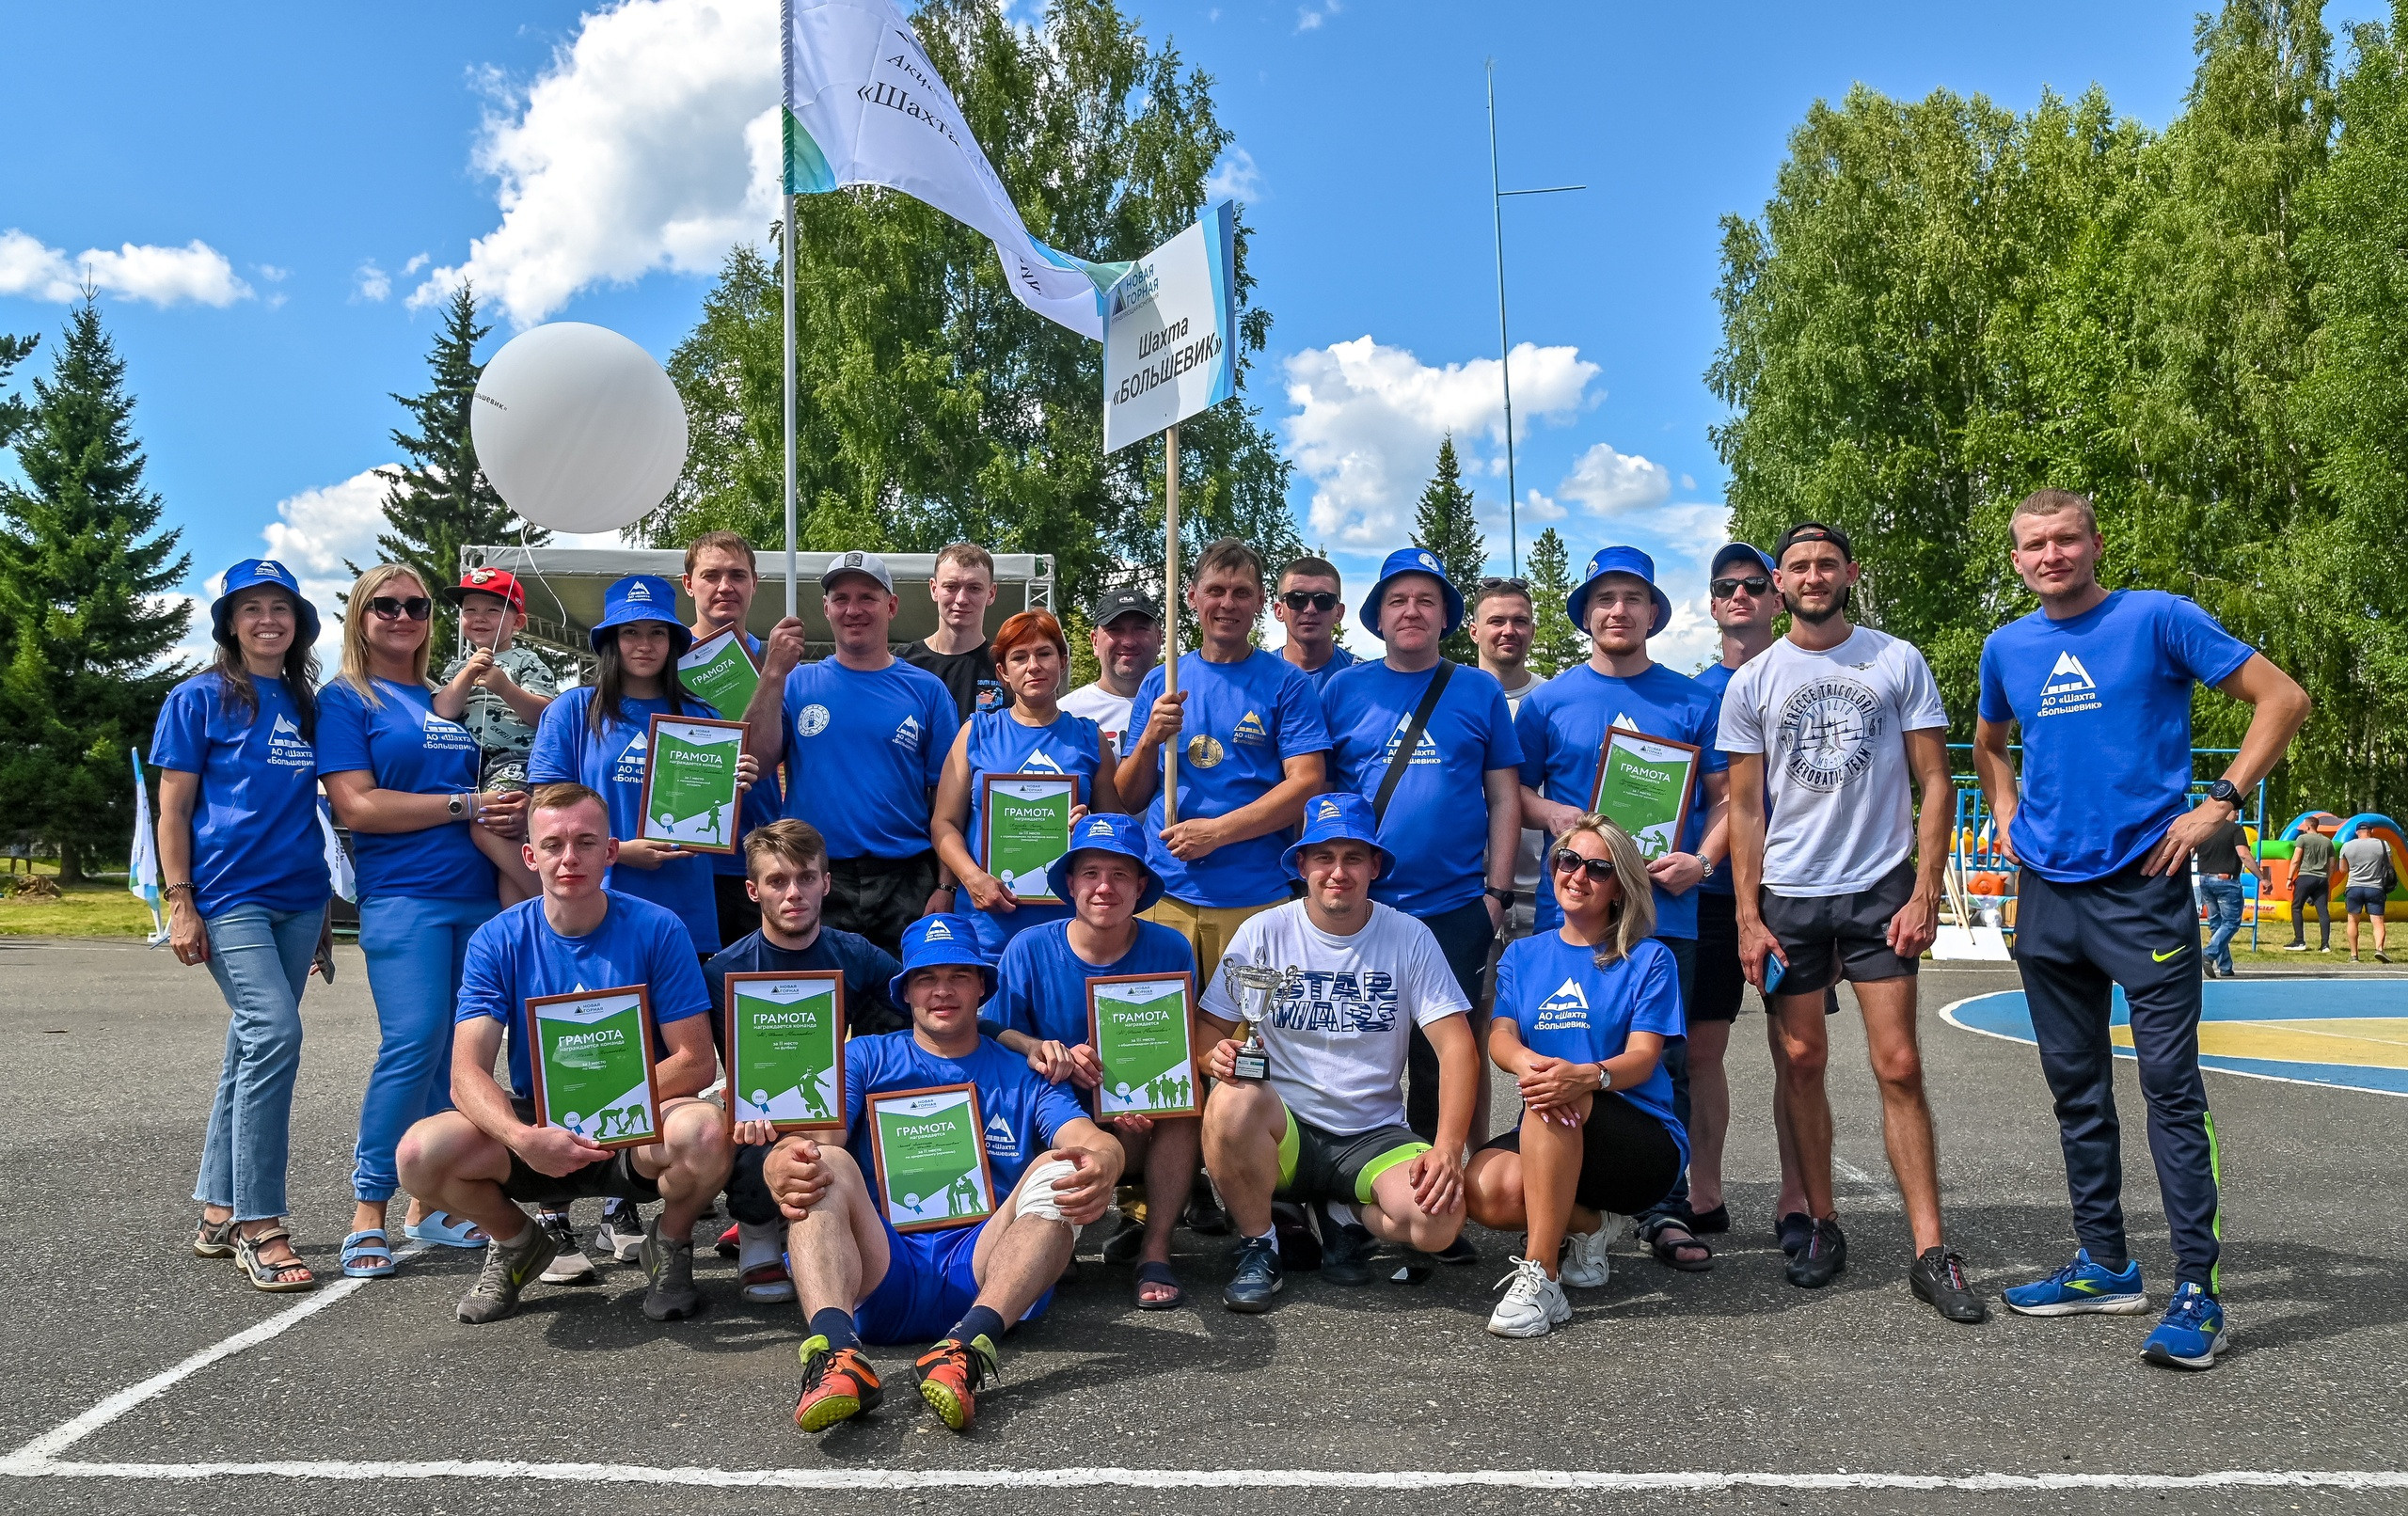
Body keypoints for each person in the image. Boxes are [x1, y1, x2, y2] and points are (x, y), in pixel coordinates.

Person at [1974, 489, 2309, 1371]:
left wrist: (2220, 804)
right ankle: (2105, 1264)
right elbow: (1987, 743)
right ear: (2016, 559)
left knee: (2170, 1090)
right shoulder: (2006, 646)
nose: (2052, 555)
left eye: (2067, 539)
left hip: (2146, 887)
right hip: (2047, 894)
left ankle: (2197, 1288)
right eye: (2034, 544)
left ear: (2095, 543)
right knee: (2075, 1090)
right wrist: (2004, 810)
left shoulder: (2159, 619)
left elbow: (2282, 699)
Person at [1720, 522, 1983, 1322]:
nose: (1811, 575)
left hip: (1878, 889)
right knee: (1800, 1059)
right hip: (1791, 897)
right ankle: (1822, 1224)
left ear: (1848, 573)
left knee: (1899, 1064)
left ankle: (1931, 1250)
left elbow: (1935, 781)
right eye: (1796, 565)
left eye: (1825, 563)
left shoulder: (1895, 659)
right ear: (1777, 581)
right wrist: (1746, 915)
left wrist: (1925, 889)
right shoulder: (1753, 681)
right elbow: (1742, 807)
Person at [760, 914, 1125, 1434]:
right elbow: (823, 1142)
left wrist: (1106, 1160)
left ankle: (964, 1351)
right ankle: (836, 1356)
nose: (942, 991)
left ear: (981, 987)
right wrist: (782, 1159)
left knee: (1059, 1167)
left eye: (958, 976)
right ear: (906, 991)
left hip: (986, 1269)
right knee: (823, 1164)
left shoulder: (1025, 1072)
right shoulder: (864, 1055)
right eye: (927, 978)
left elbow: (1089, 1140)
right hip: (882, 1269)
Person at [394, 783, 737, 1325]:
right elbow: (466, 1074)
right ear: (530, 856)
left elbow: (695, 1061)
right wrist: (524, 1138)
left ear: (612, 851)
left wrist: (606, 1108)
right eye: (553, 845)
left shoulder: (659, 928)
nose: (569, 858)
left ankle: (669, 1244)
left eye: (585, 841)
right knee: (419, 1153)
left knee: (708, 1130)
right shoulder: (496, 939)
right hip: (540, 1121)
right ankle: (516, 1242)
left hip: (635, 1119)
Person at [1513, 545, 1728, 1272]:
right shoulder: (1549, 700)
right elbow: (1514, 791)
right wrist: (1552, 815)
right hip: (1568, 913)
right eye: (1605, 598)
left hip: (1665, 912)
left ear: (1653, 614)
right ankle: (1564, 1206)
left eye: (1633, 598)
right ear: (1585, 612)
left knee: (1668, 1063)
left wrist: (1703, 860)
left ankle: (1663, 1208)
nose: (1618, 610)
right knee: (1560, 1047)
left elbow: (1729, 801)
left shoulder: (1694, 699)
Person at [319, 563, 527, 1278]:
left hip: (474, 892)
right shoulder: (347, 698)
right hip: (404, 897)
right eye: (386, 605)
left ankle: (431, 1204)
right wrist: (466, 807)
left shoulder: (444, 696)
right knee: (411, 1044)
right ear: (360, 616)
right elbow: (358, 806)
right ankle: (368, 1207)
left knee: (460, 1057)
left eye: (414, 605)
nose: (402, 616)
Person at [1197, 794, 1480, 1312]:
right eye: (1324, 857)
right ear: (1301, 864)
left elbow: (1457, 1047)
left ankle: (1344, 1214)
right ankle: (1260, 1245)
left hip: (1373, 1134)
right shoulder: (1263, 931)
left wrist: (1447, 1146)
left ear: (1374, 866)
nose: (1338, 872)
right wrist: (1211, 1056)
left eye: (1353, 858)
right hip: (1285, 1131)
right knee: (1230, 1101)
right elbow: (1208, 1026)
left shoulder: (1409, 935)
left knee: (1438, 1224)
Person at [1321, 550, 1521, 1224]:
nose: (1412, 611)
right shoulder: (1342, 690)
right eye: (1398, 600)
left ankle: (1440, 1193)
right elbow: (1316, 796)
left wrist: (1496, 894)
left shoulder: (1478, 691)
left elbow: (1503, 797)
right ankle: (1349, 1198)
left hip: (1454, 906)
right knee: (1353, 1049)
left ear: (1446, 618)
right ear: (1378, 617)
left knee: (1443, 1059)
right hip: (1361, 908)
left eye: (1426, 600)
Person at [150, 560, 333, 1293]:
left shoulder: (305, 701)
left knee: (247, 1045)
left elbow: (311, 811)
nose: (267, 620)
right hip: (229, 897)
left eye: (280, 608)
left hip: (300, 896)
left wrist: (322, 914)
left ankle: (217, 1212)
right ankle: (261, 1225)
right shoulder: (196, 699)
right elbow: (173, 809)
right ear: (229, 622)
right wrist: (180, 900)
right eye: (251, 608)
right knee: (274, 1033)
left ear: (299, 623)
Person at [1465, 815, 1687, 1338]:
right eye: (1569, 861)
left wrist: (1586, 1076)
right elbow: (1500, 1037)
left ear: (1620, 886)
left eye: (1598, 868)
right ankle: (1589, 1230)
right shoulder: (1523, 954)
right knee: (1484, 1188)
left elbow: (1643, 1059)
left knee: (1552, 1100)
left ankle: (1543, 1276)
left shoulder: (1650, 958)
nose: (1578, 875)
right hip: (1555, 1124)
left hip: (1638, 1141)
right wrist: (1526, 1063)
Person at [985, 813, 1199, 1308]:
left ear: (1141, 885)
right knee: (1013, 1093)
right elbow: (992, 1030)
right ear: (1070, 884)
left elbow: (1178, 1041)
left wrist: (1144, 1084)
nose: (1105, 887)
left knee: (1187, 1106)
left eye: (1120, 874)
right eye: (1091, 874)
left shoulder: (1170, 946)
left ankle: (1156, 1248)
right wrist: (1037, 1048)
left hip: (1135, 1115)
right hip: (1055, 1112)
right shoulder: (1029, 946)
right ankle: (1056, 1237)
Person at [1684, 543, 1821, 1251]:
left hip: (1794, 887)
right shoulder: (1689, 694)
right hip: (1712, 896)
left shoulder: (1809, 675)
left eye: (1750, 585)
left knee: (1796, 1051)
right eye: (1723, 587)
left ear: (1775, 596)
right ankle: (1703, 1193)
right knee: (1703, 1048)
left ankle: (1796, 1198)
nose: (1738, 596)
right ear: (1711, 605)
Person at [707, 819, 906, 1303]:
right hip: (762, 1107)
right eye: (777, 881)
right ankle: (757, 1225)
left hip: (826, 1100)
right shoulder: (723, 970)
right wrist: (737, 1100)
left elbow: (931, 1007)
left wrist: (1018, 1040)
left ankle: (850, 1223)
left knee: (869, 1104)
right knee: (732, 1115)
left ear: (826, 883)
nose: (793, 892)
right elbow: (730, 1070)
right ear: (753, 891)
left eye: (806, 878)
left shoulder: (854, 954)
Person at [1116, 538, 1330, 972]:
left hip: (1252, 896)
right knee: (1160, 1032)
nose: (1227, 604)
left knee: (1240, 1036)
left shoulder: (1286, 683)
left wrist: (1217, 833)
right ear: (1192, 598)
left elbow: (1307, 782)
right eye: (1215, 591)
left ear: (1260, 603)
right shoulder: (1163, 682)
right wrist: (1148, 741)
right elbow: (1129, 797)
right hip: (1164, 892)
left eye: (1241, 593)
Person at [746, 551, 961, 957]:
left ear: (891, 606)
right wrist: (772, 672)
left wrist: (945, 885)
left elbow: (945, 802)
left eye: (867, 597)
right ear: (825, 608)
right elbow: (756, 761)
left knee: (902, 1002)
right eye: (841, 598)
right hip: (814, 875)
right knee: (822, 1004)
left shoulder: (927, 691)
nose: (853, 609)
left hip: (905, 876)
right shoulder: (796, 682)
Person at [529, 575, 738, 960]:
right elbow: (546, 812)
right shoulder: (573, 711)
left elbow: (713, 805)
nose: (644, 645)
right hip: (599, 903)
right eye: (630, 632)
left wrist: (734, 782)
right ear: (612, 640)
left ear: (673, 642)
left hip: (686, 908)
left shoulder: (703, 715)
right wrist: (620, 852)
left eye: (658, 632)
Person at [931, 608, 1122, 961]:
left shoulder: (1088, 738)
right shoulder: (976, 733)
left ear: (1062, 661)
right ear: (1003, 672)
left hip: (1068, 929)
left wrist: (1088, 829)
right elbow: (944, 823)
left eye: (1044, 653)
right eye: (1019, 657)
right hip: (987, 928)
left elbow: (1112, 831)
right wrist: (971, 878)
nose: (1033, 665)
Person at [684, 530, 785, 946]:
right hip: (685, 858)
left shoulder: (776, 657)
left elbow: (774, 754)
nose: (725, 586)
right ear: (689, 583)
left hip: (756, 858)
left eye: (737, 575)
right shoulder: (664, 656)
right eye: (711, 575)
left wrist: (775, 672)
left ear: (755, 583)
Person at [433, 566, 552, 907]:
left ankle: (559, 904)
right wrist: (467, 675)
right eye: (469, 610)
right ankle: (523, 919)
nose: (479, 618)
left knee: (488, 825)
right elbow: (444, 710)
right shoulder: (457, 667)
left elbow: (543, 714)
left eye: (493, 610)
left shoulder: (527, 661)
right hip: (472, 768)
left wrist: (505, 687)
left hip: (514, 760)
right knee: (506, 861)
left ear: (518, 622)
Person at [897, 541, 1008, 719]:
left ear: (991, 593)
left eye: (974, 588)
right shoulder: (903, 664)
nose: (962, 599)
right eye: (951, 587)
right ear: (934, 589)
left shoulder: (1006, 667)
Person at [1060, 588, 1162, 755]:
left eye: (1140, 629)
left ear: (1159, 638)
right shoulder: (1066, 715)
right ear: (1094, 642)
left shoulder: (1184, 708)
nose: (1128, 642)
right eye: (1115, 629)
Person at [1273, 555, 1357, 691]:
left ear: (1339, 613)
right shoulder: (1257, 676)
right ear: (1279, 611)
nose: (1310, 609)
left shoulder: (1361, 678)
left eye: (1323, 600)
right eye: (1297, 599)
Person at [2195, 815, 2254, 978]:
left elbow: (2190, 851)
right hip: (2225, 880)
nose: (2236, 814)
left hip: (2205, 879)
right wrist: (2261, 876)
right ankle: (2208, 953)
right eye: (2234, 810)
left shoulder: (2204, 828)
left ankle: (2225, 966)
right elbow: (2243, 854)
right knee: (2231, 922)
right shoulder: (2235, 829)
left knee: (2216, 923)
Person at [2339, 829, 2393, 964]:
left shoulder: (2347, 846)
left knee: (2352, 921)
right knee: (2378, 921)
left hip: (2353, 887)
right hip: (2375, 887)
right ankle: (2379, 949)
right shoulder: (2382, 844)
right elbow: (2391, 866)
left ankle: (2354, 955)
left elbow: (2343, 869)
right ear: (2371, 831)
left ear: (2357, 832)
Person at [2284, 825, 2336, 952]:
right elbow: (2332, 864)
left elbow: (2296, 859)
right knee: (2323, 911)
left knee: (2296, 907)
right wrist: (2327, 879)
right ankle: (2325, 945)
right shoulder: (2327, 841)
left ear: (2308, 826)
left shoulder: (2302, 839)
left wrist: (2289, 878)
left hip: (2306, 876)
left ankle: (2299, 941)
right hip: (2322, 879)